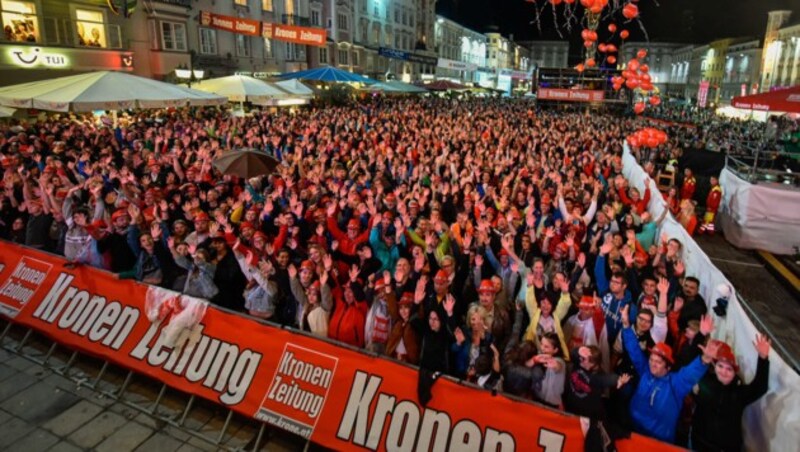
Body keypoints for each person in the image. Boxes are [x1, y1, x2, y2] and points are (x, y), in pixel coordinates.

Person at [621, 304, 721, 444]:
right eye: (651, 359)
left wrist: (705, 359)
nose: (652, 364)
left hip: (657, 441)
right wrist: (626, 325)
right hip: (632, 429)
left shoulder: (676, 384)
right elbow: (634, 349)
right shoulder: (645, 370)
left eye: (658, 362)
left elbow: (690, 372)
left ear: (668, 367)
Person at [691, 335, 771, 451]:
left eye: (729, 369)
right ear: (715, 366)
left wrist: (763, 358)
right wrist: (701, 335)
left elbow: (760, 387)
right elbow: (689, 367)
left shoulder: (739, 393)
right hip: (698, 444)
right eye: (720, 366)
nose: (724, 371)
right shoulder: (704, 381)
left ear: (735, 373)